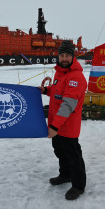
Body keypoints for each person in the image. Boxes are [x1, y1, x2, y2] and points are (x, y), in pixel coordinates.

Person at [38, 41, 88, 200]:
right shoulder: (60, 73)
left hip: (67, 127)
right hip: (57, 124)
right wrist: (47, 90)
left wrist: (54, 126)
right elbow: (58, 91)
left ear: (73, 57)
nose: (64, 58)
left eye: (67, 55)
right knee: (60, 151)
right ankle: (65, 175)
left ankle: (78, 185)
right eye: (62, 55)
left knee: (73, 156)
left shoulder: (76, 77)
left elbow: (67, 104)